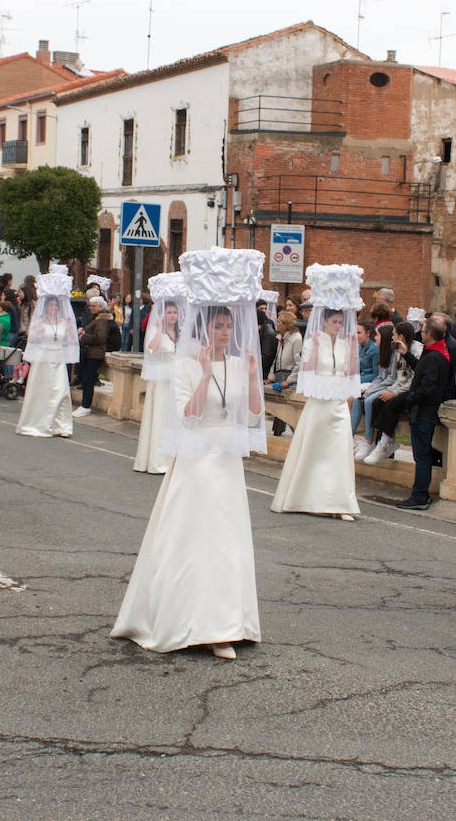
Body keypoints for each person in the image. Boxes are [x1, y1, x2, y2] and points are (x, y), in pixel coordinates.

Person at [112, 247, 265, 661]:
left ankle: (226, 623)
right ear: (205, 326)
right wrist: (206, 375)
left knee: (225, 541)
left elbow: (251, 413)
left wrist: (251, 378)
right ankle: (182, 617)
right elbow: (188, 416)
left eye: (228, 325)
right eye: (217, 325)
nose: (223, 332)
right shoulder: (187, 365)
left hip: (226, 462)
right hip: (197, 461)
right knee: (193, 538)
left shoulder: (239, 362)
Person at [272, 263, 364, 520]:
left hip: (337, 404)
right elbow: (307, 373)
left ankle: (340, 503)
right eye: (334, 321)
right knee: (313, 451)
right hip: (319, 403)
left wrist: (347, 395)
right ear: (324, 320)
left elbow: (349, 375)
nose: (338, 325)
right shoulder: (314, 341)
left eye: (340, 321)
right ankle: (305, 496)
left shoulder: (346, 345)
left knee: (339, 454)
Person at [392, 314, 453, 510]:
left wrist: (410, 398)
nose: (421, 333)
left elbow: (428, 386)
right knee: (421, 455)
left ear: (429, 334)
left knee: (422, 456)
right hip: (424, 409)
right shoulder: (435, 352)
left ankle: (420, 495)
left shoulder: (435, 356)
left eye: (423, 331)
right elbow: (422, 370)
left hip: (425, 412)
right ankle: (419, 494)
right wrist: (407, 354)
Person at [16, 265, 79, 438]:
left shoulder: (63, 322)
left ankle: (59, 424)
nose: (53, 308)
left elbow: (71, 338)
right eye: (50, 306)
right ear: (47, 307)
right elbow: (34, 339)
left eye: (55, 306)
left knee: (60, 391)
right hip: (43, 358)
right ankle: (38, 422)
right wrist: (37, 326)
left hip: (57, 359)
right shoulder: (41, 321)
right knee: (41, 391)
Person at [134, 273, 185, 475]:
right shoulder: (158, 331)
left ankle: (173, 456)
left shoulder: (180, 332)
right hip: (161, 380)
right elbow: (152, 349)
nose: (172, 316)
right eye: (169, 312)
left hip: (176, 378)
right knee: (161, 416)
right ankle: (157, 458)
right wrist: (158, 329)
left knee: (175, 417)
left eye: (175, 312)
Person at [361, 321, 422, 464]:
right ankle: (378, 443)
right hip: (400, 388)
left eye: (394, 335)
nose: (392, 338)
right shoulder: (399, 350)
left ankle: (386, 442)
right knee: (377, 401)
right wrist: (390, 390)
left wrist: (394, 393)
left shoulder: (416, 351)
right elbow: (399, 378)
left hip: (411, 391)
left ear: (401, 336)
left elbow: (412, 379)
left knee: (390, 405)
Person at [266, 310, 302, 437]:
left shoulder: (296, 339)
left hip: (289, 375)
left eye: (279, 321)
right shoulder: (282, 338)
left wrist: (290, 380)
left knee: (288, 408)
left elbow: (299, 363)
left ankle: (298, 433)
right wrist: (271, 377)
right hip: (280, 374)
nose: (276, 323)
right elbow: (276, 359)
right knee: (279, 407)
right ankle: (278, 430)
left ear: (286, 324)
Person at [75, 295, 113, 417]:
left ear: (100, 306)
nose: (91, 308)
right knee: (87, 380)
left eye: (93, 306)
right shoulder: (97, 318)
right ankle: (84, 405)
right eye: (90, 305)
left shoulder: (101, 320)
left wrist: (83, 337)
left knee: (88, 381)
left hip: (94, 354)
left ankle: (86, 405)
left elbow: (100, 338)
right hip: (90, 353)